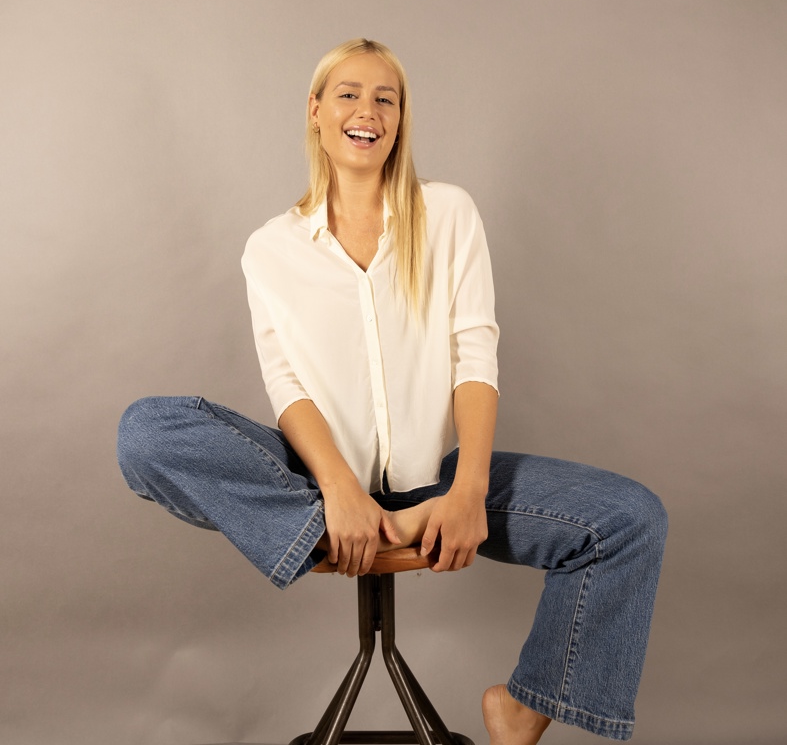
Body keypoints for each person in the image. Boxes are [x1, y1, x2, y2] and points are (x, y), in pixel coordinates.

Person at [117, 38, 667, 744]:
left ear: (400, 119)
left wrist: (466, 492)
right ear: (315, 111)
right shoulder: (272, 248)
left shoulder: (447, 214)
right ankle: (338, 526)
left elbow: (474, 354)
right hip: (314, 485)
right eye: (348, 94)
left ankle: (521, 707)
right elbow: (287, 384)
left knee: (628, 519)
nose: (367, 111)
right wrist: (340, 490)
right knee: (145, 432)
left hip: (434, 486)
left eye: (386, 98)